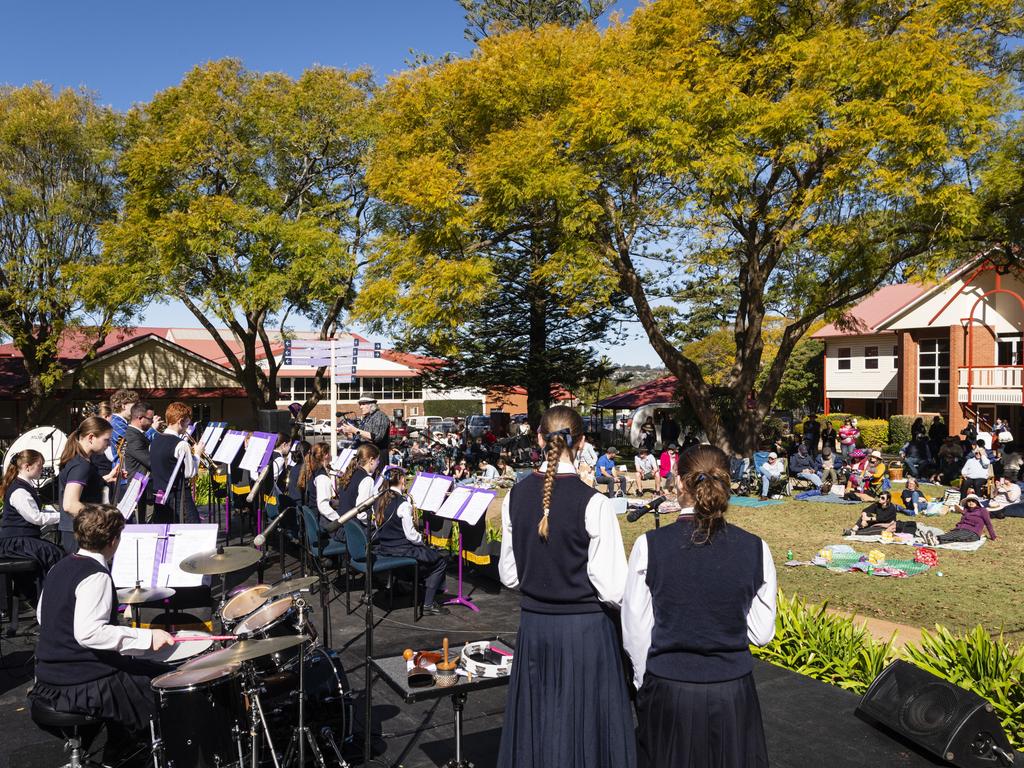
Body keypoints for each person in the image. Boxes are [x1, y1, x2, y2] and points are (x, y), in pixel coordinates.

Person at [623, 445, 775, 768]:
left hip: (669, 691)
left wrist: (644, 684)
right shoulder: (756, 548)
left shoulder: (648, 547)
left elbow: (635, 632)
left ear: (679, 483)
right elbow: (761, 633)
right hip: (732, 694)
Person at [497, 406, 634, 768]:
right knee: (585, 732)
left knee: (540, 727)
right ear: (583, 441)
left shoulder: (514, 497)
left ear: (539, 439)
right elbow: (612, 589)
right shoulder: (596, 503)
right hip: (585, 634)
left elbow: (509, 576)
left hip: (535, 628)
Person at [31, 504, 173, 763]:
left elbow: (43, 615)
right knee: (160, 686)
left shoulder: (59, 567)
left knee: (135, 671)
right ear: (114, 540)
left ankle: (118, 749)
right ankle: (129, 753)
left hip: (48, 679)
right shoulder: (96, 575)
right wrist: (148, 638)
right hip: (79, 684)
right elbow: (89, 633)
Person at [373, 468, 450, 616]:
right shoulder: (403, 504)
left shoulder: (379, 500)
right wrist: (422, 539)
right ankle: (428, 604)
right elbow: (410, 535)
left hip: (385, 547)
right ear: (402, 480)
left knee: (428, 556)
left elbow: (378, 525)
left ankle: (405, 585)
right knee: (440, 560)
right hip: (402, 548)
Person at [0, 449, 64, 587]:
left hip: (22, 540)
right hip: (16, 543)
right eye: (39, 466)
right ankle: (50, 595)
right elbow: (36, 518)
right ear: (27, 466)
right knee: (56, 554)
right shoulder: (19, 490)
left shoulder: (24, 486)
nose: (42, 469)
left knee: (56, 552)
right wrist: (64, 517)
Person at [58, 416, 115, 553]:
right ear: (91, 437)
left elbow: (85, 487)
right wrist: (101, 518)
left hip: (78, 530)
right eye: (106, 440)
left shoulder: (82, 461)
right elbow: (70, 504)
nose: (109, 444)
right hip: (78, 533)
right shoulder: (81, 466)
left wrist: (106, 478)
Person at [150, 402, 202, 524]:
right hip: (179, 496)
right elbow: (190, 473)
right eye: (187, 423)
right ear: (180, 421)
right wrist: (197, 454)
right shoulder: (182, 444)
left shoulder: (155, 440)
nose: (187, 427)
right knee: (191, 531)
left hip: (160, 497)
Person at [119, 402, 154, 515]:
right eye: (150, 419)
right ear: (140, 418)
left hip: (141, 487)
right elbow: (149, 461)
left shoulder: (138, 434)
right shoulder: (133, 436)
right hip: (136, 488)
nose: (152, 422)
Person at [299, 442, 341, 532]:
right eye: (329, 452)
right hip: (320, 524)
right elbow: (323, 506)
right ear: (326, 455)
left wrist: (337, 502)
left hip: (314, 520)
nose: (331, 455)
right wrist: (340, 519)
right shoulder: (322, 477)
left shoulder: (312, 470)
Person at [844, 491, 913, 536]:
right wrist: (864, 519)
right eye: (880, 497)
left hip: (886, 526)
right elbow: (865, 510)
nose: (880, 499)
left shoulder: (891, 508)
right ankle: (854, 529)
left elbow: (881, 518)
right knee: (866, 514)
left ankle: (854, 533)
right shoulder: (877, 504)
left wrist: (867, 519)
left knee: (872, 530)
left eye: (883, 498)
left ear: (887, 500)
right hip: (876, 521)